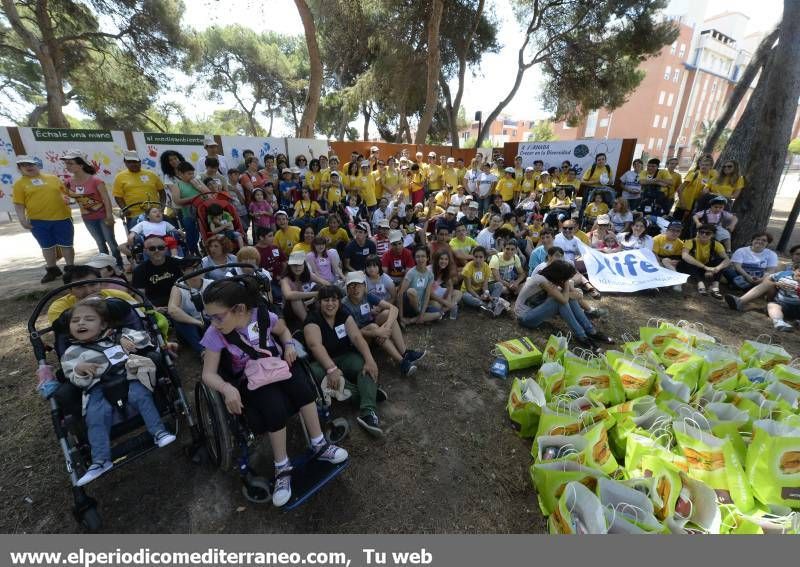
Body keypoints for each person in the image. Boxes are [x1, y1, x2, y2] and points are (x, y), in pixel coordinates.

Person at [201, 277, 347, 507]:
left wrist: (288, 345)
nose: (213, 322)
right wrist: (226, 388)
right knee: (273, 406)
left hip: (276, 365)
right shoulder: (215, 333)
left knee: (303, 389)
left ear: (239, 309)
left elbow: (284, 331)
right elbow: (207, 374)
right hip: (250, 379)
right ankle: (282, 467)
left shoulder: (262, 315)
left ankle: (320, 444)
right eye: (209, 316)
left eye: (217, 316)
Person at [61, 297, 176, 486]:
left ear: (104, 323)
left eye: (89, 319)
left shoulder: (119, 334)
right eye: (75, 321)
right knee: (96, 415)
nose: (80, 323)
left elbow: (146, 338)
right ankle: (100, 460)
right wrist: (79, 369)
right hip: (96, 388)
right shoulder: (72, 352)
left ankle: (159, 432)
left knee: (141, 396)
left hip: (129, 375)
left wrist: (129, 340)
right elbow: (71, 376)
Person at [303, 285, 384, 436]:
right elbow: (315, 345)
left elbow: (356, 337)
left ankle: (368, 413)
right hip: (321, 362)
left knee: (364, 366)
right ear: (319, 302)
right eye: (326, 300)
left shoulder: (343, 313)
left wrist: (370, 359)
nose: (330, 304)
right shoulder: (312, 319)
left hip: (345, 355)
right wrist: (331, 369)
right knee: (320, 376)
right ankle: (367, 394)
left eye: (334, 300)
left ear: (339, 302)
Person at [513, 260, 611, 351]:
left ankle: (591, 331)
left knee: (567, 299)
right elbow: (564, 300)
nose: (567, 280)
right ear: (560, 275)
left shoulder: (552, 279)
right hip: (524, 318)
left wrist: (570, 291)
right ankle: (581, 336)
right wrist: (567, 284)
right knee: (559, 301)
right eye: (566, 278)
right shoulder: (541, 279)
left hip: (534, 312)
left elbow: (573, 295)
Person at [342, 271, 423, 377]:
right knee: (373, 326)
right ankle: (402, 362)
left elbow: (394, 308)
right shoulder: (344, 305)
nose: (355, 289)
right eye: (351, 286)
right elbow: (353, 333)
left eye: (358, 285)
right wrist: (377, 332)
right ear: (347, 289)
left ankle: (405, 352)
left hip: (373, 331)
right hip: (360, 339)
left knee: (387, 313)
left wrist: (386, 327)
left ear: (364, 286)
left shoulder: (367, 296)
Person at [12, 155, 76, 282]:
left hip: (62, 218)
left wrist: (67, 198)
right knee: (47, 246)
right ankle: (52, 270)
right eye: (24, 165)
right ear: (19, 169)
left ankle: (71, 270)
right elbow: (19, 204)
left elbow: (65, 193)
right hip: (38, 221)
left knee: (67, 245)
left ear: (37, 165)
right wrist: (22, 220)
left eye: (30, 164)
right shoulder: (19, 184)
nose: (28, 167)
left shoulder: (53, 178)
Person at [61, 150, 122, 268]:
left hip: (103, 215)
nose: (67, 166)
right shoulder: (68, 182)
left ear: (81, 164)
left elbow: (106, 199)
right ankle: (106, 267)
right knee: (100, 243)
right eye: (66, 163)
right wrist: (69, 200)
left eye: (70, 163)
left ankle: (119, 266)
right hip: (87, 218)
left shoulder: (96, 180)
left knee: (111, 242)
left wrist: (109, 216)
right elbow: (68, 196)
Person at [47, 265, 136, 323]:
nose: (89, 291)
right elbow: (61, 332)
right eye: (80, 287)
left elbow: (142, 316)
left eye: (92, 284)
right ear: (69, 291)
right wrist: (81, 306)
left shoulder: (118, 296)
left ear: (101, 284)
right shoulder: (59, 307)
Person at [725, 245, 800, 312]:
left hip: (796, 299)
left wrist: (795, 287)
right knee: (769, 282)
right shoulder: (783, 267)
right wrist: (778, 284)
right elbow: (771, 277)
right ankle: (740, 301)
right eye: (797, 254)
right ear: (792, 255)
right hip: (779, 294)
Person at [167, 257, 211, 355]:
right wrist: (198, 323)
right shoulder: (178, 287)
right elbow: (172, 310)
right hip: (191, 324)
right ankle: (202, 352)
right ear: (183, 270)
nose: (196, 270)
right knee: (179, 320)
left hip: (210, 321)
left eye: (199, 267)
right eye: (191, 268)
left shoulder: (210, 283)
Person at [113, 150, 165, 230]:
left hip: (155, 213)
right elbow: (118, 196)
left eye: (135, 161)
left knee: (164, 235)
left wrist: (162, 206)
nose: (133, 164)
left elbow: (162, 191)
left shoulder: (151, 174)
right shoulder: (120, 177)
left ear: (140, 162)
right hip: (134, 215)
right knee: (137, 239)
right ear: (125, 163)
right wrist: (125, 209)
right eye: (129, 162)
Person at [678, 223, 730, 299]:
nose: (704, 235)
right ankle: (700, 283)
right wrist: (705, 267)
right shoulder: (690, 242)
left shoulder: (716, 244)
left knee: (720, 260)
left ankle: (715, 285)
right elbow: (685, 256)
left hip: (704, 268)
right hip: (692, 267)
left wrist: (716, 269)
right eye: (701, 232)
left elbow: (727, 260)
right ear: (698, 233)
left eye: (708, 233)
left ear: (712, 235)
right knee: (687, 260)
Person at [170, 161, 211, 255]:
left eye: (193, 173)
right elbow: (177, 201)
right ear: (180, 174)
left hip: (203, 213)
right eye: (189, 174)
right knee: (192, 235)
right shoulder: (178, 185)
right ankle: (192, 251)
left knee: (206, 233)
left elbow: (209, 194)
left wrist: (199, 187)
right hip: (188, 215)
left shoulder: (197, 181)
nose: (192, 175)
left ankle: (206, 250)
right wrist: (194, 199)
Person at [132, 235, 183, 308]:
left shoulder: (178, 264)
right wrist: (153, 309)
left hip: (180, 301)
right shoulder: (139, 270)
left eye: (160, 248)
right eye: (152, 248)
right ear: (145, 251)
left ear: (166, 249)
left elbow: (189, 284)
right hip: (156, 305)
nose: (157, 251)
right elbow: (140, 296)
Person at [398, 246, 442, 326]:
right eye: (417, 257)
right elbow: (400, 294)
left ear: (427, 258)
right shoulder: (411, 273)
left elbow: (427, 295)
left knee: (438, 313)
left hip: (420, 305)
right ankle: (418, 317)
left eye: (423, 256)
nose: (420, 259)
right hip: (409, 306)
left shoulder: (430, 274)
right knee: (412, 291)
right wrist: (400, 316)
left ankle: (411, 320)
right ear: (414, 258)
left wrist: (422, 314)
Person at [281, 251, 323, 321]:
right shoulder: (285, 279)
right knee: (295, 299)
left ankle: (321, 315)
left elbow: (326, 283)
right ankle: (307, 322)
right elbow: (288, 295)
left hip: (305, 303)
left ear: (304, 265)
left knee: (320, 287)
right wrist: (315, 294)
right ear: (290, 266)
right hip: (289, 310)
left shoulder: (308, 275)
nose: (297, 267)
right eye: (294, 265)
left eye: (300, 264)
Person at [765, 263, 800, 331]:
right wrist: (776, 284)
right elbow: (769, 279)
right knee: (772, 305)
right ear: (794, 270)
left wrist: (796, 288)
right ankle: (779, 322)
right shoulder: (784, 275)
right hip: (782, 304)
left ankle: (797, 322)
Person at [429, 250, 462, 318]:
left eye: (446, 259)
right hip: (428, 296)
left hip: (437, 290)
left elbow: (450, 285)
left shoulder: (445, 269)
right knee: (437, 305)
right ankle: (447, 308)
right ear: (437, 259)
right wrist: (445, 302)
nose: (444, 261)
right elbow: (429, 293)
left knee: (458, 293)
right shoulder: (430, 271)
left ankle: (443, 311)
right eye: (441, 259)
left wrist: (449, 296)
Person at [653, 221, 685, 291]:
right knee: (664, 261)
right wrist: (659, 264)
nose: (675, 233)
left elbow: (678, 256)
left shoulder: (680, 243)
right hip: (656, 259)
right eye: (672, 230)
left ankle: (674, 280)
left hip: (669, 261)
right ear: (667, 230)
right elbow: (653, 253)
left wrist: (676, 261)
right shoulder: (657, 238)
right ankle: (676, 280)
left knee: (666, 261)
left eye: (678, 231)